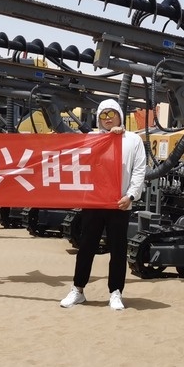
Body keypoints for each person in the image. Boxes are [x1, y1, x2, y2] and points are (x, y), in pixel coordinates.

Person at [60, 98, 147, 311]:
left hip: (120, 203)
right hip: (94, 201)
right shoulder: (92, 138)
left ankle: (115, 292)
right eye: (103, 115)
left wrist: (131, 196)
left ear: (119, 114)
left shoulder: (133, 140)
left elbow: (139, 170)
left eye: (111, 114)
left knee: (118, 249)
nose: (108, 119)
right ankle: (78, 289)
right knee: (86, 246)